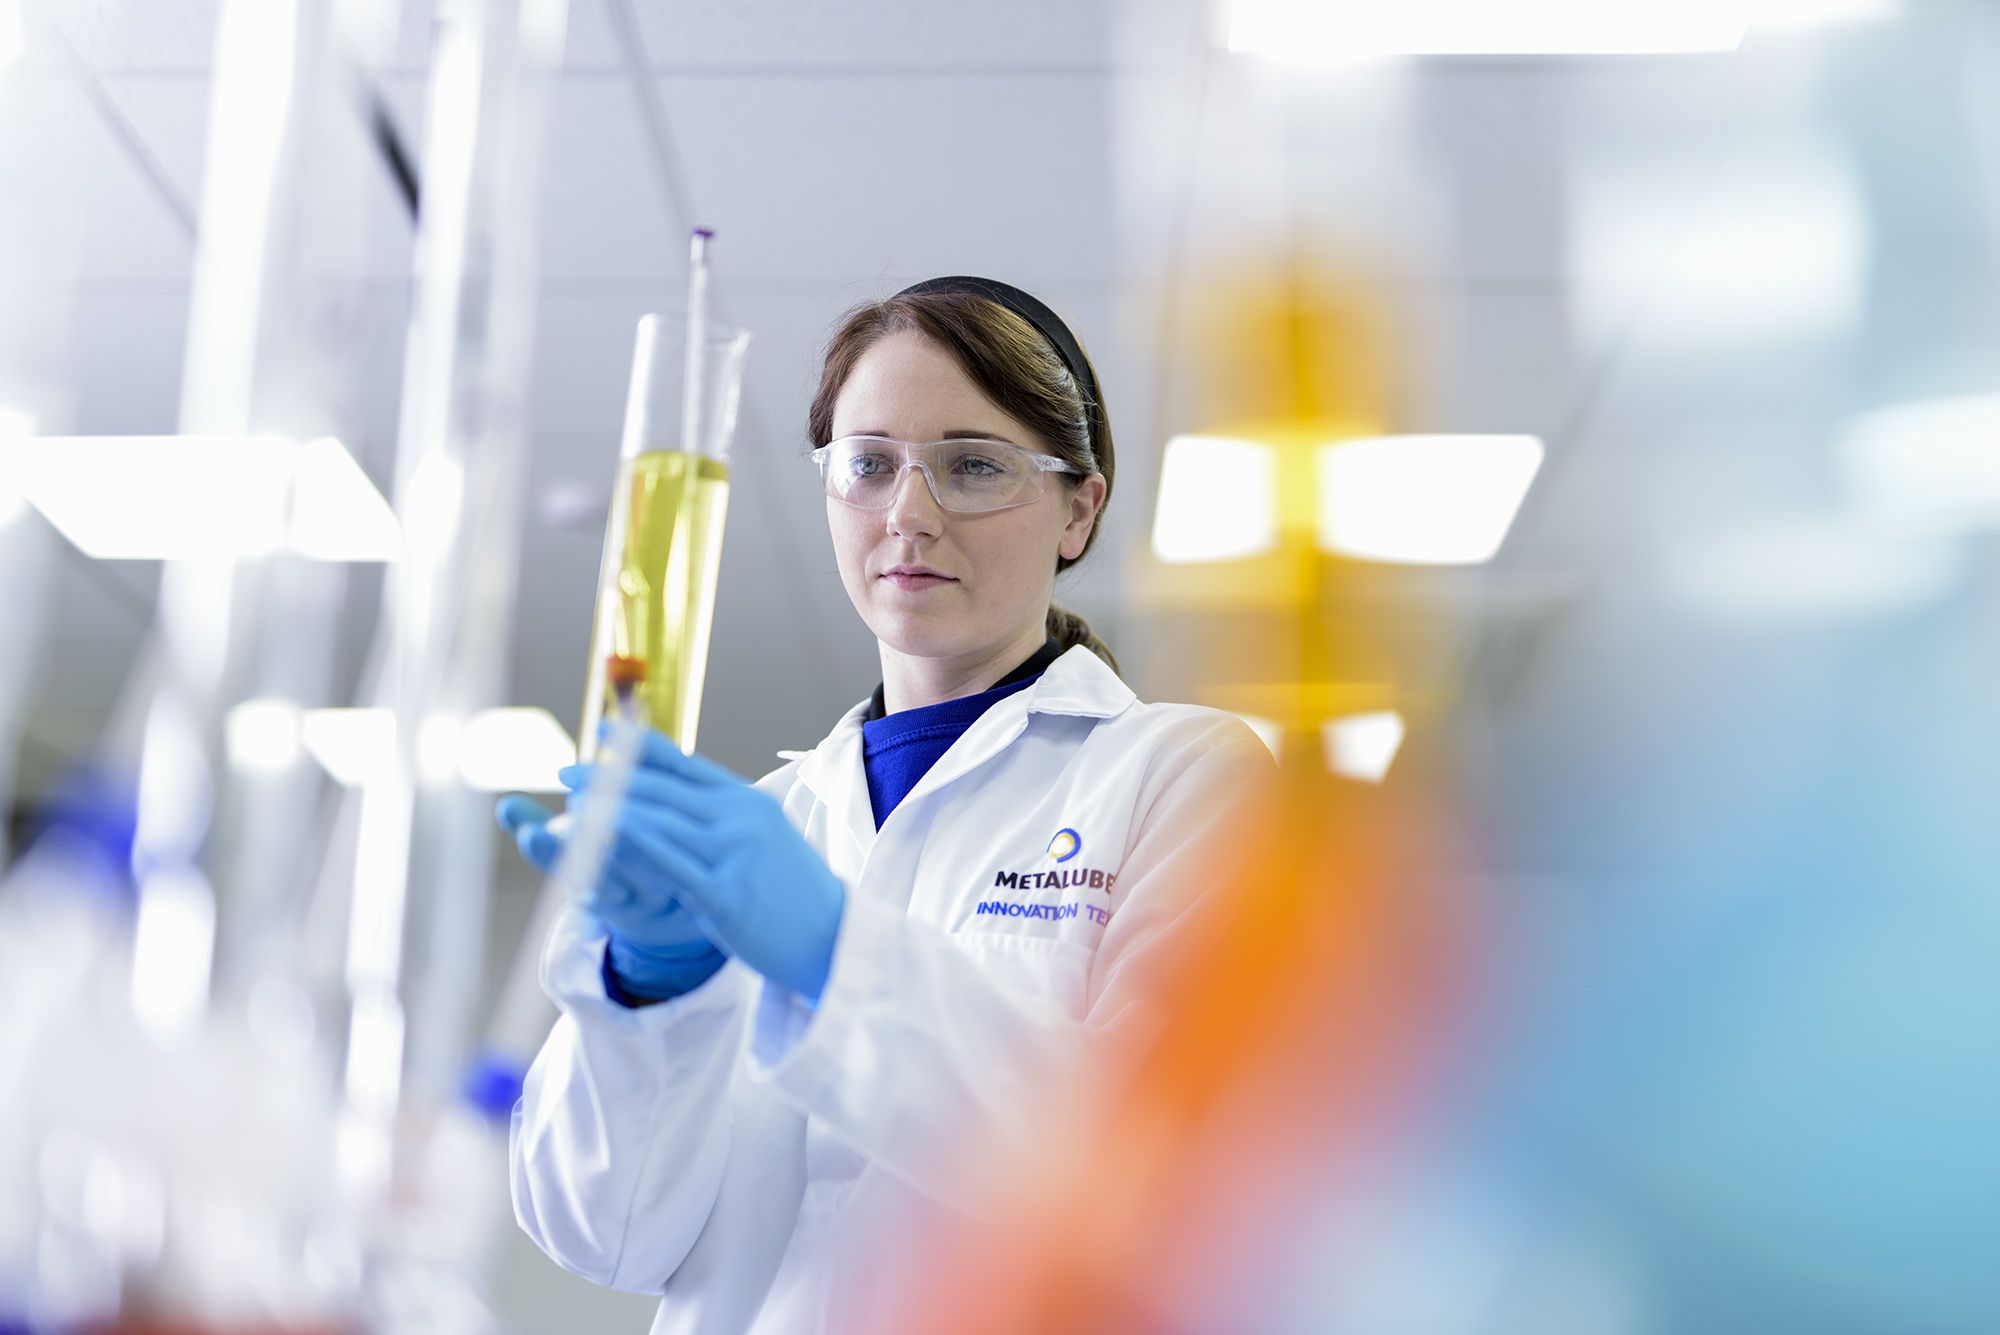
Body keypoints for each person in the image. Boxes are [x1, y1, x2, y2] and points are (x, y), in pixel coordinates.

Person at [497, 276, 1274, 1334]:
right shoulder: (769, 823)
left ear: (1077, 509)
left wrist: (833, 953)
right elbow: (607, 1235)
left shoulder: (1183, 776)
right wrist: (646, 1000)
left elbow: (1158, 1175)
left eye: (972, 467)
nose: (908, 514)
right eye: (868, 466)